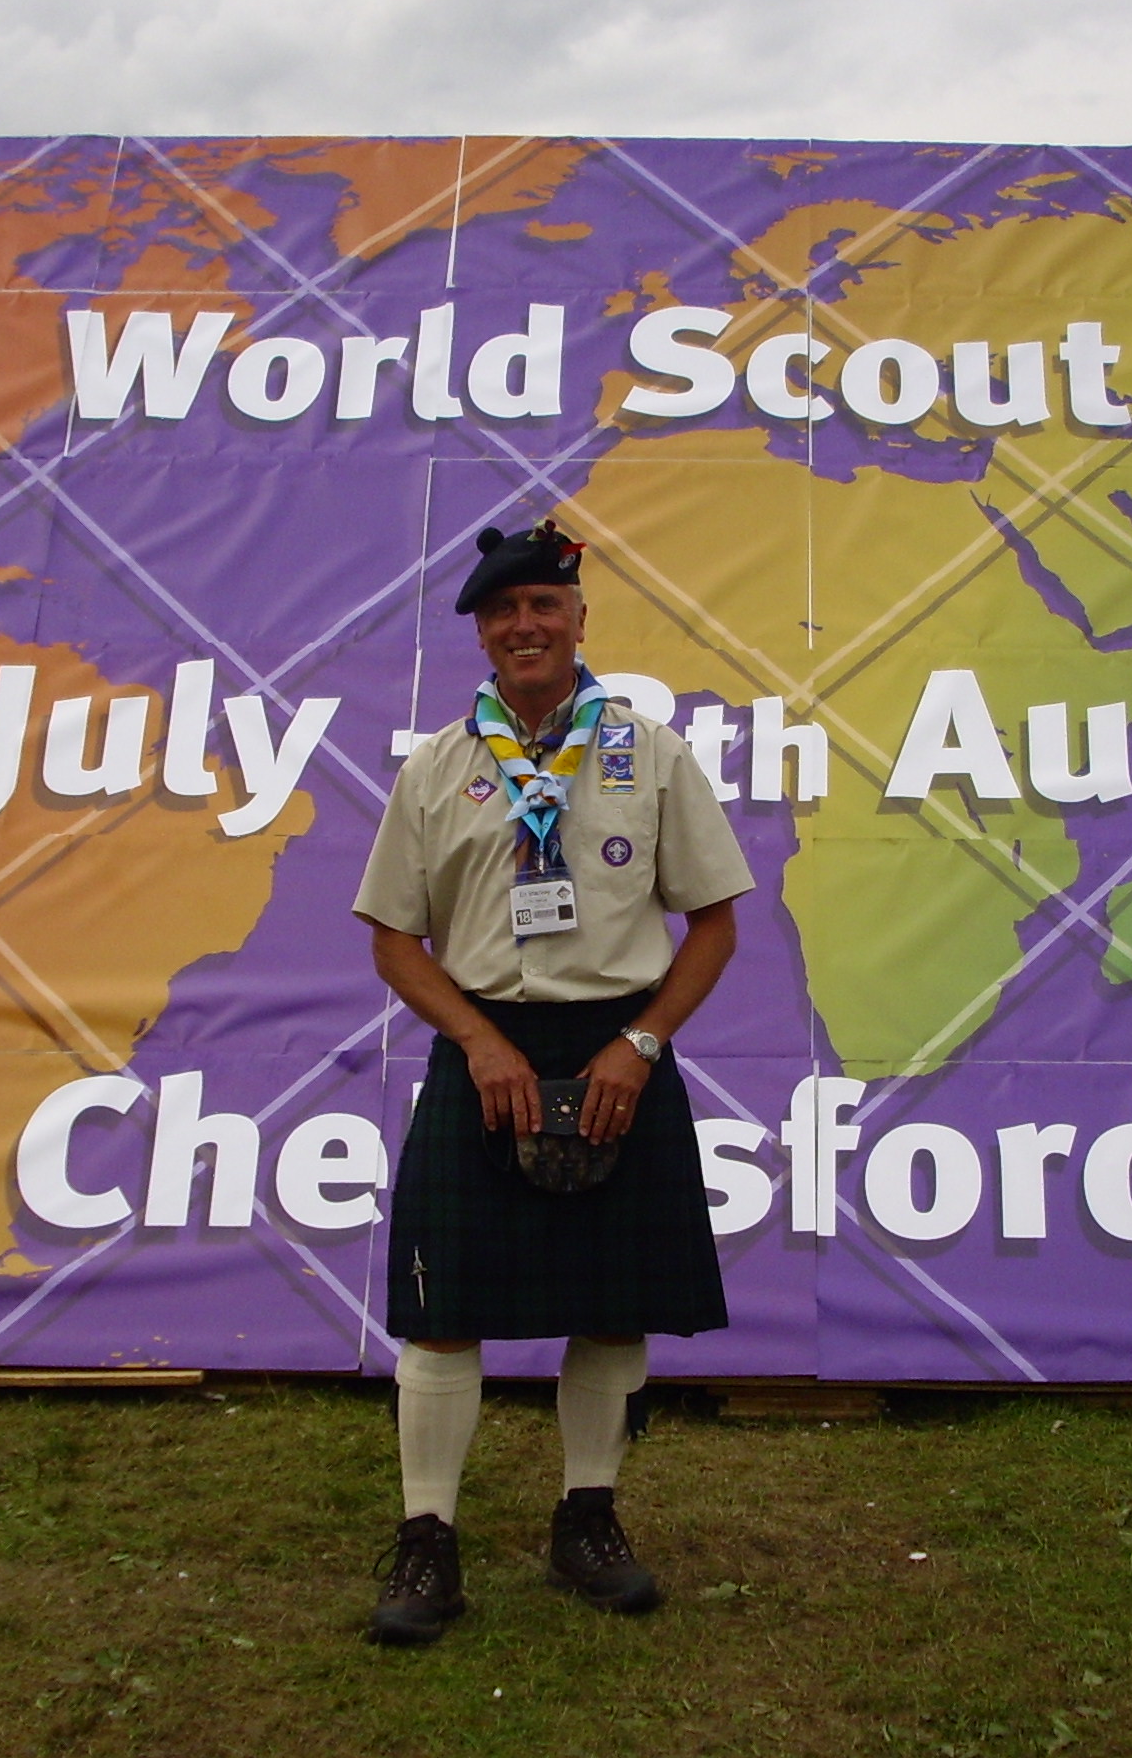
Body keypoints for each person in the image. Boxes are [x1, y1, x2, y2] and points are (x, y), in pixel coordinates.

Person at [350, 516, 754, 1647]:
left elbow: (716, 924)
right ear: (482, 633)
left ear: (580, 620)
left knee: (615, 1301)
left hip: (618, 1047)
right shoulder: (436, 767)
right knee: (440, 1313)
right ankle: (429, 1538)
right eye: (504, 611)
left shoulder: (650, 748)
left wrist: (645, 1042)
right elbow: (393, 942)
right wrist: (479, 1042)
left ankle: (589, 1517)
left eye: (545, 606)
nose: (525, 625)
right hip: (486, 1048)